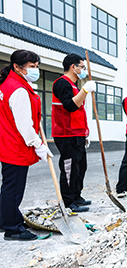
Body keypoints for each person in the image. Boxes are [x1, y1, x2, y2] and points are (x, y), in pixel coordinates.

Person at [0, 49, 54, 240]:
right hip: (15, 145)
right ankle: (12, 228)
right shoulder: (19, 90)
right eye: (32, 67)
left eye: (37, 66)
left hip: (6, 142)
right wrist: (38, 144)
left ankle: (5, 219)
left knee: (9, 186)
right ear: (17, 66)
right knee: (13, 188)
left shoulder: (8, 84)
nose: (35, 70)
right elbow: (24, 125)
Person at [52, 53, 96, 213]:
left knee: (81, 167)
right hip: (66, 133)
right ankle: (68, 202)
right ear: (73, 67)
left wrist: (85, 133)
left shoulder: (73, 85)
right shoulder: (62, 84)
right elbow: (70, 106)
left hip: (77, 133)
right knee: (70, 169)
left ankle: (77, 196)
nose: (83, 70)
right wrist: (85, 90)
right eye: (82, 67)